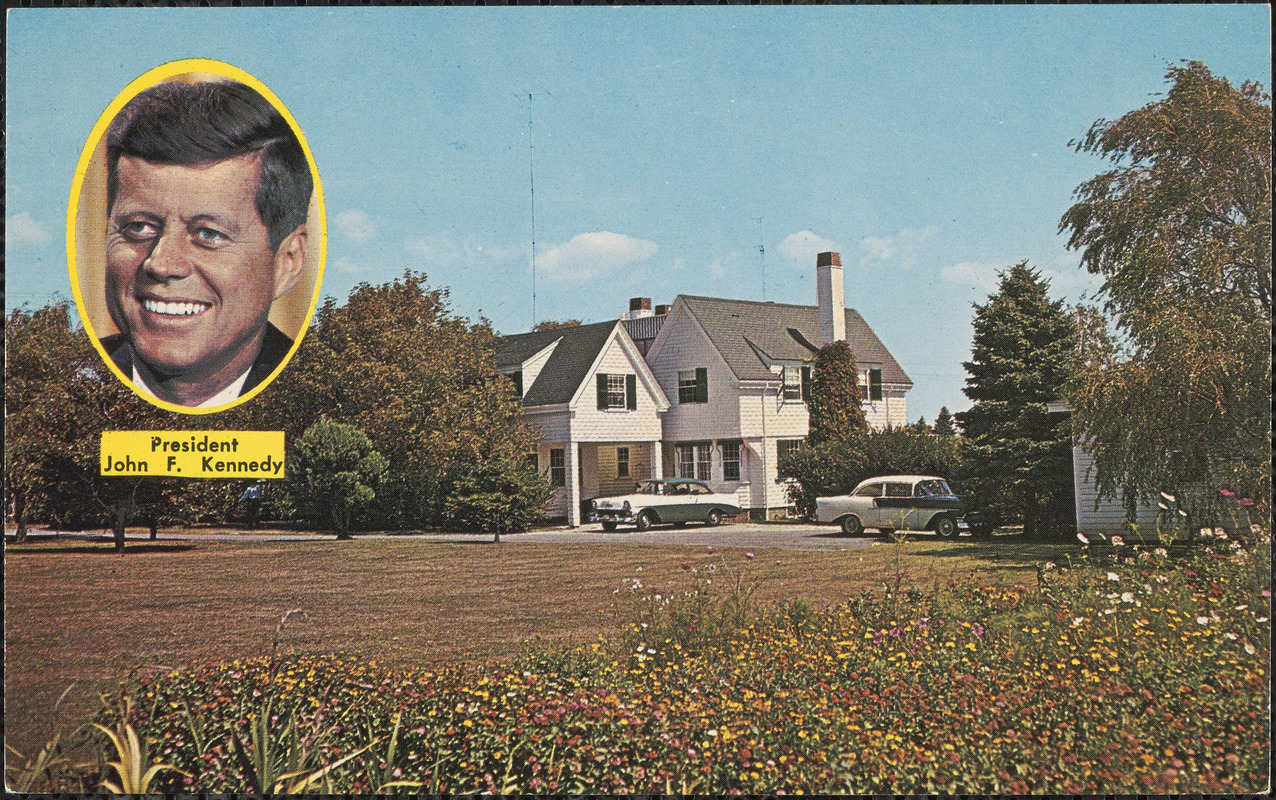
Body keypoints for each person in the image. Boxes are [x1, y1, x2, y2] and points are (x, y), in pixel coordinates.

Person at [99, 79, 313, 407]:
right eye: (139, 227)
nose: (161, 264)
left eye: (209, 234)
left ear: (288, 262)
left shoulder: (319, 394)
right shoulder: (65, 382)